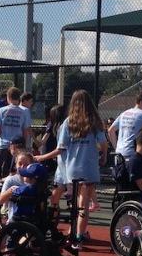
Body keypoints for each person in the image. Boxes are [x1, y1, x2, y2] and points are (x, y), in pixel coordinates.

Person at [37, 90, 107, 245]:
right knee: (83, 205)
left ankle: (72, 233)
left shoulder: (68, 123)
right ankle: (78, 236)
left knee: (75, 203)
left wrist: (42, 157)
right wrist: (103, 156)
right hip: (88, 167)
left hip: (72, 167)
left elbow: (61, 148)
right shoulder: (95, 122)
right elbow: (103, 144)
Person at [0, 87, 32, 178]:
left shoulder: (2, 110)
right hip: (17, 144)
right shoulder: (24, 111)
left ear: (8, 98)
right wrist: (25, 145)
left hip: (3, 143)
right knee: (13, 168)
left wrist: (0, 135)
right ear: (19, 98)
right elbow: (25, 130)